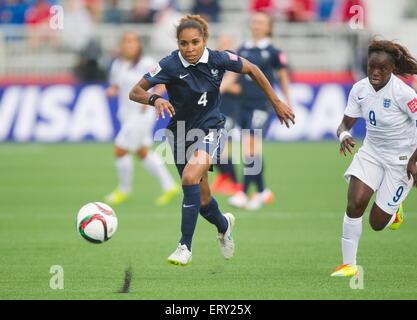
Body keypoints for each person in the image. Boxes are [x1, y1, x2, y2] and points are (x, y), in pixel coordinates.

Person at [129, 15, 295, 266]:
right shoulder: (169, 64)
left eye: (195, 42)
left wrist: (276, 101)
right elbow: (135, 91)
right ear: (178, 43)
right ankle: (224, 224)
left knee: (188, 178)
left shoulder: (219, 58)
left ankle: (184, 246)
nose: (190, 48)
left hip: (210, 129)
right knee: (203, 199)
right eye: (184, 43)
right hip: (180, 133)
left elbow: (253, 69)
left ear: (205, 40)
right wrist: (155, 99)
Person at [331, 40, 417, 277]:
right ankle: (349, 264)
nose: (375, 73)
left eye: (382, 69)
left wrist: (413, 161)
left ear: (392, 69)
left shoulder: (404, 93)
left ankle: (395, 210)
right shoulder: (359, 89)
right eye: (371, 67)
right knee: (354, 203)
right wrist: (345, 135)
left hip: (400, 160)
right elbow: (344, 124)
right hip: (371, 152)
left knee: (377, 223)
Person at [105, 32, 180, 206]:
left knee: (120, 149)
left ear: (138, 45)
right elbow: (117, 84)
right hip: (126, 114)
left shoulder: (146, 63)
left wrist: (151, 99)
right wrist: (112, 91)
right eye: (125, 41)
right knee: (142, 151)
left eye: (132, 42)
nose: (128, 45)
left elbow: (161, 83)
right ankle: (169, 185)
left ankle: (124, 189)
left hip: (141, 115)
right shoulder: (118, 64)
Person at [228, 11, 291, 210]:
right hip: (242, 105)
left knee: (250, 148)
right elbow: (232, 76)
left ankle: (243, 193)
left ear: (269, 27)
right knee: (251, 150)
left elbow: (282, 77)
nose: (256, 25)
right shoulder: (242, 48)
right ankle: (263, 191)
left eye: (261, 22)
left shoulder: (273, 51)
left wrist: (286, 101)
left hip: (262, 105)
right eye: (254, 21)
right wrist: (218, 90)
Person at [210, 34, 243, 196]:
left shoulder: (235, 63)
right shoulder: (213, 62)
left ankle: (235, 184)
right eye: (220, 43)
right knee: (213, 147)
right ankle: (224, 177)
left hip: (229, 110)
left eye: (226, 43)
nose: (222, 46)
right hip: (215, 109)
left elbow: (234, 87)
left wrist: (211, 87)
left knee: (221, 148)